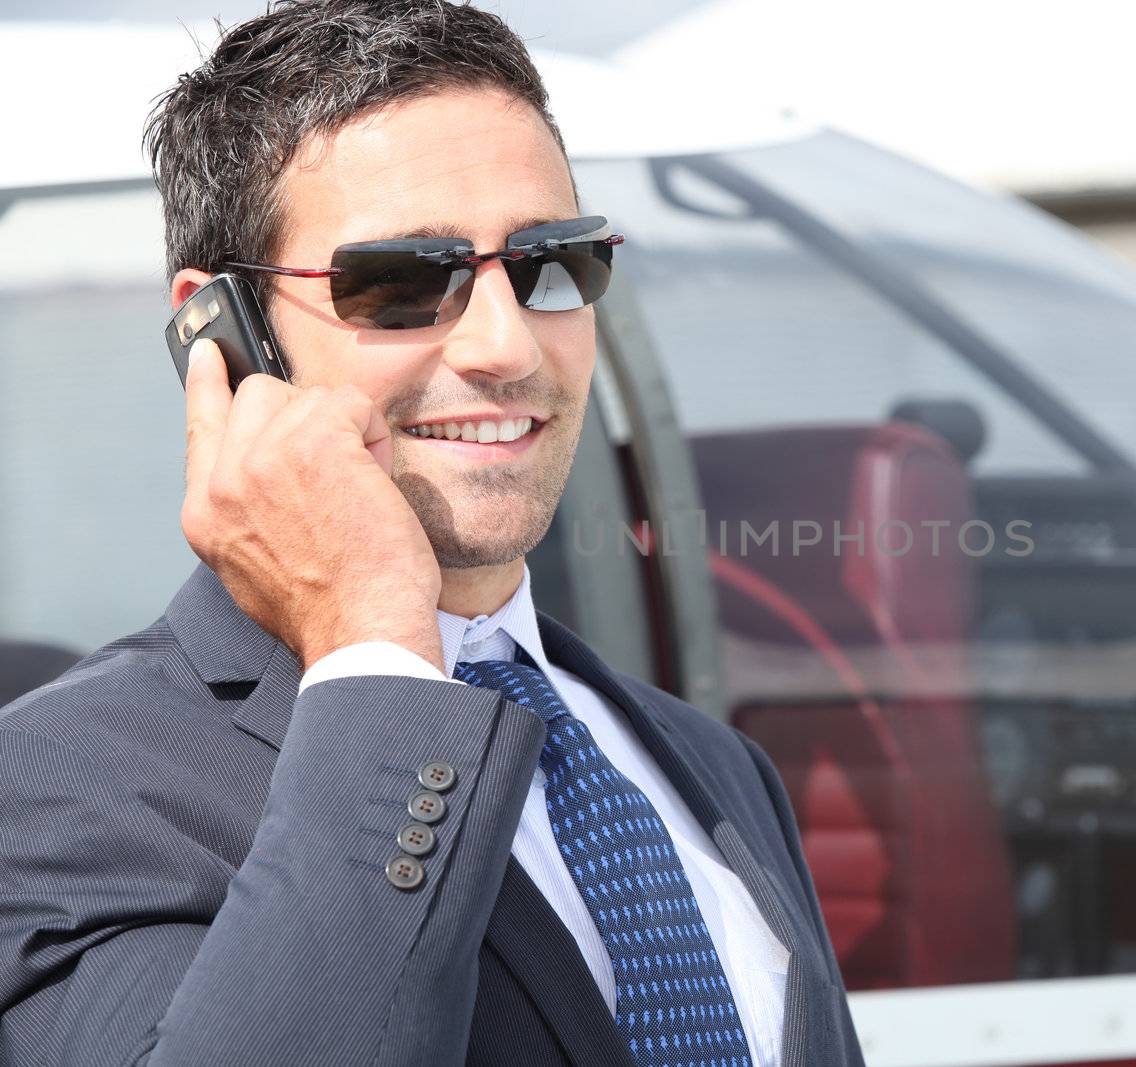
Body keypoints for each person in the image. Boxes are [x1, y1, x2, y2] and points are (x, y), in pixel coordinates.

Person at [0, 2, 864, 1064]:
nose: (505, 344)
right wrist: (373, 642)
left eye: (552, 262)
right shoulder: (57, 784)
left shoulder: (707, 761)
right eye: (403, 281)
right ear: (220, 336)